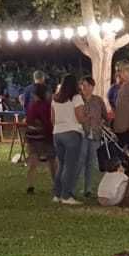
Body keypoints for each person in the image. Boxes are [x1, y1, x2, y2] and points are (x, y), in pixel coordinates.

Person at [50, 74, 86, 205]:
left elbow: (52, 119)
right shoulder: (76, 98)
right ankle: (66, 195)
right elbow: (80, 117)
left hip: (57, 133)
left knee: (61, 164)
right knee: (70, 166)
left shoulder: (55, 99)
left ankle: (57, 194)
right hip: (72, 132)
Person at [22, 81, 54, 194]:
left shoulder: (32, 106)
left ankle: (30, 185)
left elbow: (28, 120)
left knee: (33, 161)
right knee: (52, 161)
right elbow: (48, 121)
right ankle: (56, 184)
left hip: (32, 136)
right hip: (44, 136)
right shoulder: (47, 106)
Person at [77, 76, 106, 199]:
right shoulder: (78, 100)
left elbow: (105, 115)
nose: (85, 88)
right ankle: (76, 186)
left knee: (91, 161)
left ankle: (88, 188)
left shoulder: (98, 100)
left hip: (95, 134)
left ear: (92, 87)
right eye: (83, 85)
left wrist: (101, 124)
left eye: (87, 85)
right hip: (81, 134)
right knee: (80, 160)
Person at [111, 64, 129, 153]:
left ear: (127, 71)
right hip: (119, 129)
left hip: (128, 131)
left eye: (119, 71)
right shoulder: (123, 84)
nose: (118, 74)